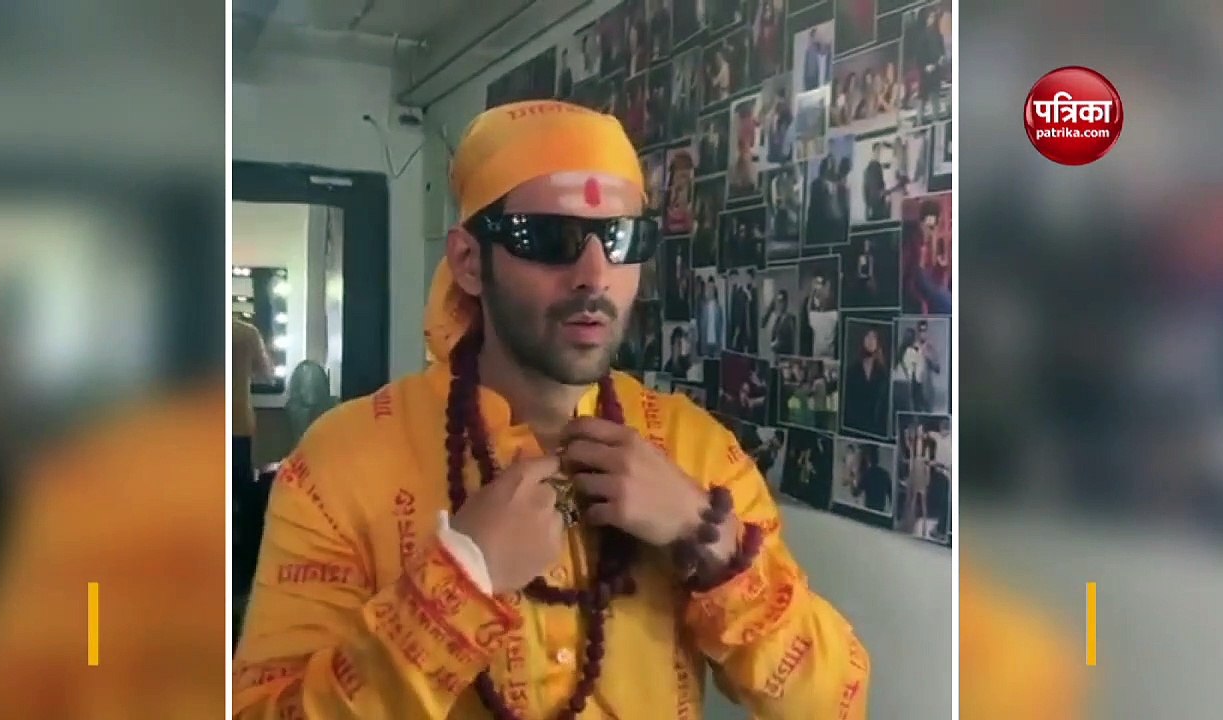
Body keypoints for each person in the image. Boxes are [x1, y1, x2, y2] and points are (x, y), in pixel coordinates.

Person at [233, 100, 869, 719]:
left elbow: (835, 702)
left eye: (620, 238)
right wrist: (458, 585)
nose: (594, 274)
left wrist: (710, 540)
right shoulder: (342, 462)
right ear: (468, 262)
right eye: (549, 237)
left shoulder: (695, 450)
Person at [231, 316, 273, 597]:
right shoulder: (245, 333)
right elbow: (266, 374)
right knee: (241, 498)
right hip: (237, 426)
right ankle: (242, 575)